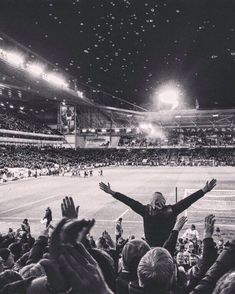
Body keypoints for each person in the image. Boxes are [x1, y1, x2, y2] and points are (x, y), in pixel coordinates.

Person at [99, 179, 216, 247]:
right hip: (167, 247)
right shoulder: (171, 210)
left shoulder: (145, 211)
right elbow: (188, 201)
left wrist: (112, 192)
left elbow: (128, 201)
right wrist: (204, 190)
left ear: (151, 202)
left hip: (150, 248)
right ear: (163, 201)